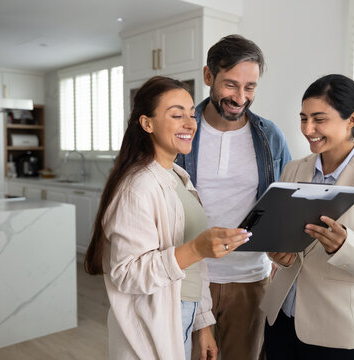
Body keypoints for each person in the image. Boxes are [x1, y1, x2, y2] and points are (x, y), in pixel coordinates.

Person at [84, 76, 252, 360]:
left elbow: (194, 266)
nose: (190, 123)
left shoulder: (177, 176)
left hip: (184, 311)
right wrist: (197, 248)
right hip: (156, 321)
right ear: (147, 123)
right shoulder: (138, 186)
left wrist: (203, 325)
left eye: (191, 114)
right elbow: (127, 274)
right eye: (177, 115)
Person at [260, 74, 354, 360]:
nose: (308, 129)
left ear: (352, 119)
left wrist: (344, 245)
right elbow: (283, 238)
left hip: (335, 333)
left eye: (319, 119)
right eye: (303, 118)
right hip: (281, 320)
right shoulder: (293, 170)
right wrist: (279, 254)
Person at [176, 35, 291, 360]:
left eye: (250, 87)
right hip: (190, 276)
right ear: (208, 76)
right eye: (231, 85)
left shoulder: (270, 137)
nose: (240, 97)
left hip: (250, 279)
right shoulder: (182, 131)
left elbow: (283, 201)